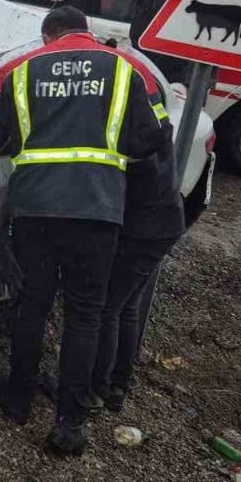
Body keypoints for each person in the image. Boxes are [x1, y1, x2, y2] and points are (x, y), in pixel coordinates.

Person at [0, 6, 167, 457]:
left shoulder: (23, 71)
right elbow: (155, 135)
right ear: (87, 32)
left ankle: (20, 398)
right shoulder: (125, 70)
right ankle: (68, 425)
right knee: (85, 315)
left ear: (49, 35)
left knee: (31, 306)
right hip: (97, 211)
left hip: (35, 208)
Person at [90, 68, 184, 414]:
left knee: (107, 307)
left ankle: (95, 389)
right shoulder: (154, 125)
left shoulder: (132, 139)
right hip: (164, 223)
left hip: (144, 230)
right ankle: (118, 384)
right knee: (127, 305)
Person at [126, 0, 186, 83]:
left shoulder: (162, 5)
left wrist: (152, 78)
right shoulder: (143, 1)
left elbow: (167, 53)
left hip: (161, 79)